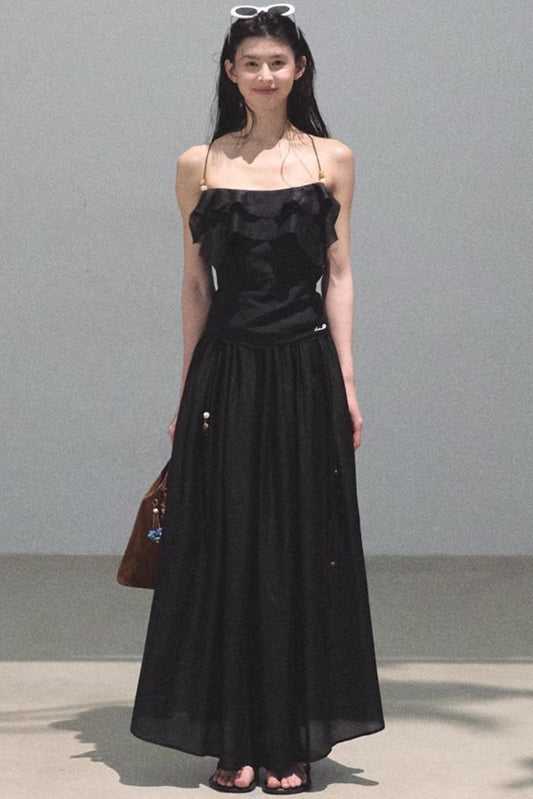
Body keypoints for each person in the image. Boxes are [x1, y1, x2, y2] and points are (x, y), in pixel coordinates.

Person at [130, 5, 385, 794]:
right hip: (226, 372)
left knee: (301, 548)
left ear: (298, 68)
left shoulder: (332, 158)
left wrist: (346, 382)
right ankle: (233, 740)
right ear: (230, 73)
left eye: (277, 61)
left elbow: (339, 275)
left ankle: (289, 742)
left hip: (305, 370)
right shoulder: (199, 163)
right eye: (251, 63)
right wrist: (187, 389)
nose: (264, 74)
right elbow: (193, 285)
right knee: (226, 547)